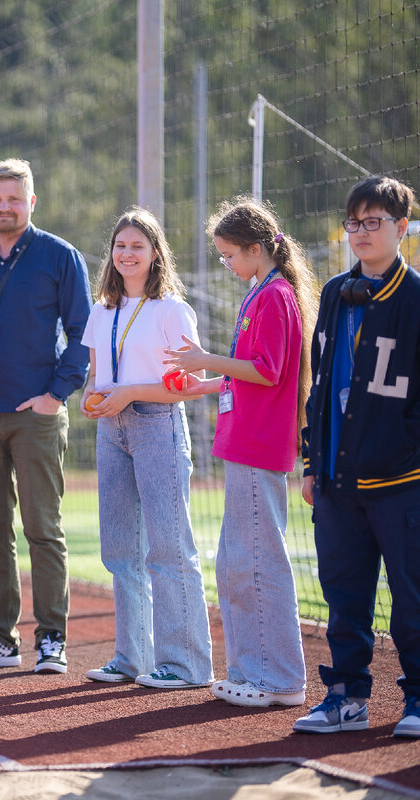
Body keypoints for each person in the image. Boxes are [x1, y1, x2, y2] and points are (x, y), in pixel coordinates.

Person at [0, 158, 92, 673]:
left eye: (13, 198)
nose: (3, 207)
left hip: (36, 415)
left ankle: (52, 638)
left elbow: (83, 334)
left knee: (42, 528)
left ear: (32, 202)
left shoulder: (60, 257)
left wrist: (55, 395)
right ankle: (0, 638)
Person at [163, 199, 317, 707]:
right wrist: (205, 383)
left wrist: (205, 357)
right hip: (243, 440)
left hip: (258, 445)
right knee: (236, 561)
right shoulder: (260, 292)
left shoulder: (275, 296)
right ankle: (255, 670)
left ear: (256, 249)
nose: (225, 264)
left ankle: (279, 679)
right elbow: (246, 373)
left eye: (230, 255)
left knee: (256, 561)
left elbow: (268, 370)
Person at [291, 175, 420, 738]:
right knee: (343, 594)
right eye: (354, 222)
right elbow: (320, 386)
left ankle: (417, 699)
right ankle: (345, 697)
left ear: (401, 227)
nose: (361, 232)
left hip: (401, 477)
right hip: (337, 477)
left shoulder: (414, 298)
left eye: (374, 222)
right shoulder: (337, 294)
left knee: (412, 593)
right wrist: (312, 461)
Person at [79, 207, 213, 689]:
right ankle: (130, 657)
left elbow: (190, 384)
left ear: (156, 253)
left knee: (169, 546)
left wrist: (131, 392)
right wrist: (91, 396)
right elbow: (96, 374)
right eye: (120, 246)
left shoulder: (172, 310)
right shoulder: (101, 310)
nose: (127, 254)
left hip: (157, 424)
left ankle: (186, 665)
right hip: (110, 429)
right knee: (119, 548)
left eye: (137, 246)